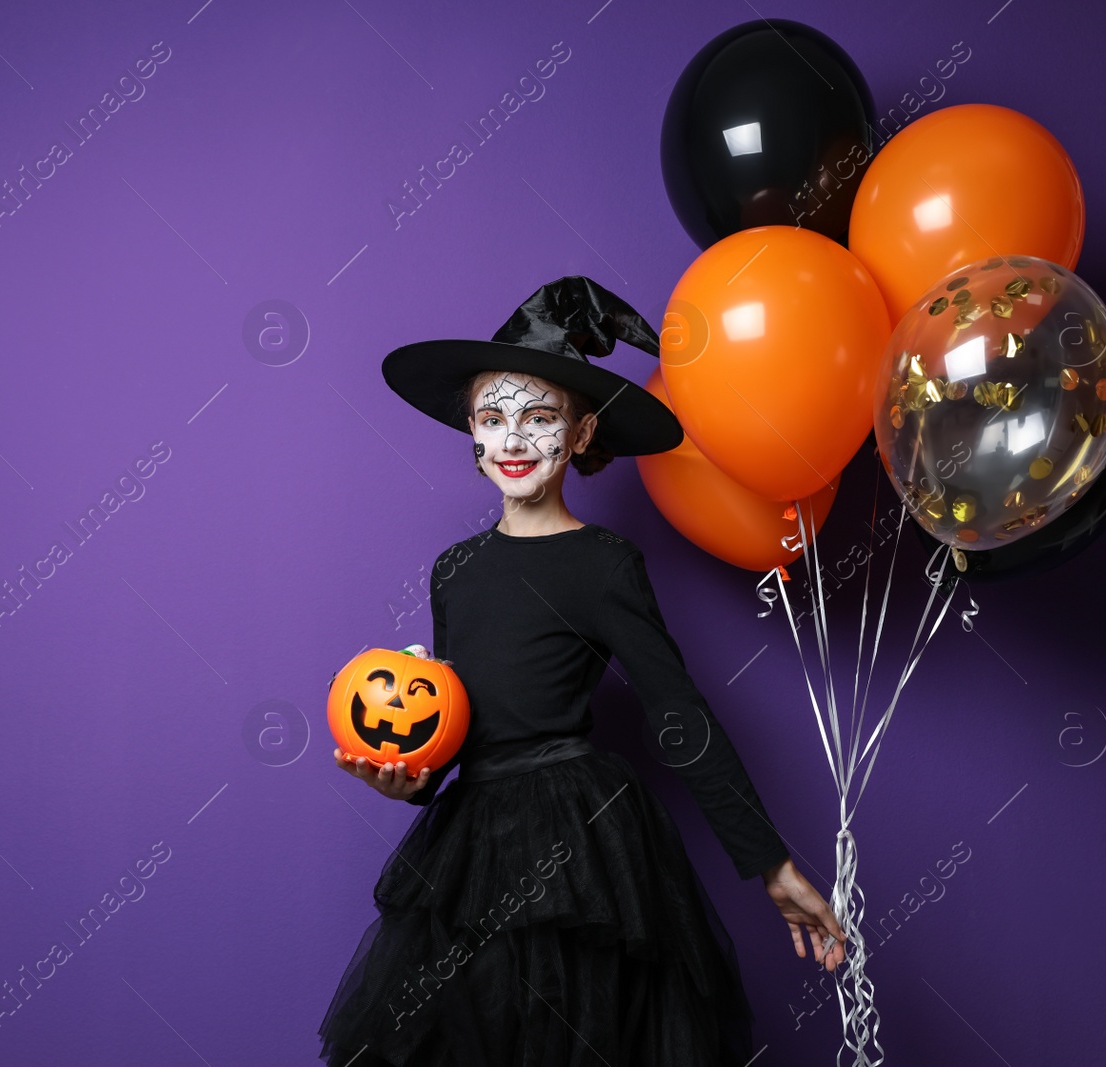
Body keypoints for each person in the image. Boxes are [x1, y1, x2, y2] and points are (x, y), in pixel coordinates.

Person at [320, 276, 845, 1066]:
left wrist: (769, 862)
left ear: (581, 429)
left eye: (538, 417)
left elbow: (679, 714)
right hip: (473, 848)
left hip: (577, 843)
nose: (514, 440)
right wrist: (411, 780)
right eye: (493, 418)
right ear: (470, 429)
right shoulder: (454, 570)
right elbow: (458, 725)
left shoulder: (603, 563)